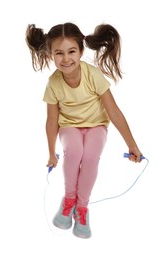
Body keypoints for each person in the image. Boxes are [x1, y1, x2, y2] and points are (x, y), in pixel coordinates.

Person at [26, 22, 143, 239]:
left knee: (90, 156)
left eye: (71, 51)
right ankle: (69, 199)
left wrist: (132, 144)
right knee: (75, 152)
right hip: (69, 126)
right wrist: (52, 153)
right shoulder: (53, 83)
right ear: (51, 54)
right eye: (58, 53)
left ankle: (82, 207)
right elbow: (52, 121)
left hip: (97, 125)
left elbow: (114, 112)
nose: (66, 58)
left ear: (81, 51)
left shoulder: (93, 75)